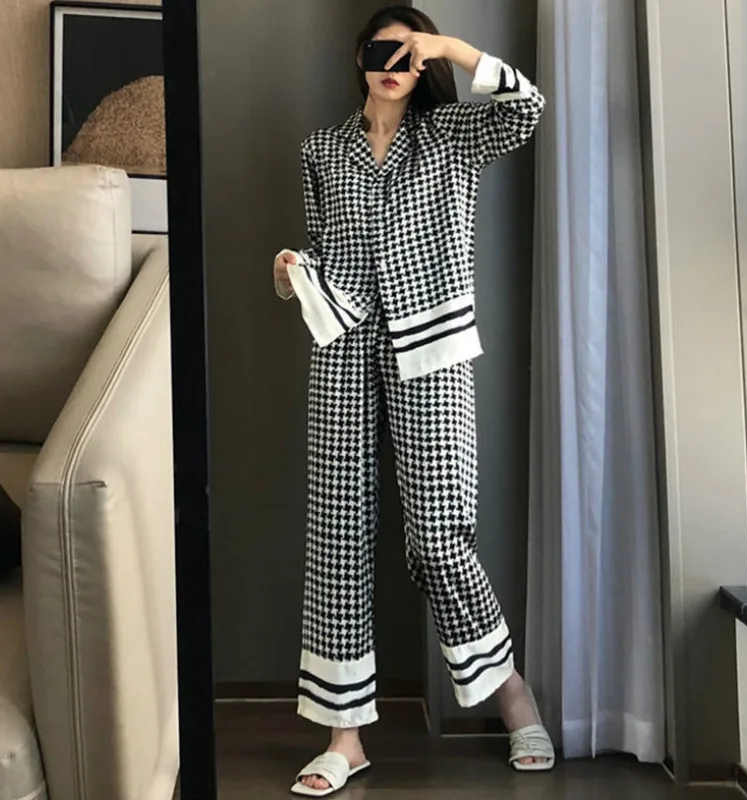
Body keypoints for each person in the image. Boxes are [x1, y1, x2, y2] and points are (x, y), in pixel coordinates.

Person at [274, 6, 552, 796]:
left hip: (432, 348)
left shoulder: (453, 136)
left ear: (422, 60)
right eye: (379, 51)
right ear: (358, 58)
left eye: (407, 52)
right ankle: (345, 737)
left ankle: (512, 695)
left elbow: (527, 108)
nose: (391, 64)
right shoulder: (322, 150)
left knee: (438, 533)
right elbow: (324, 250)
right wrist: (292, 272)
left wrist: (453, 49)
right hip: (343, 345)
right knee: (338, 533)